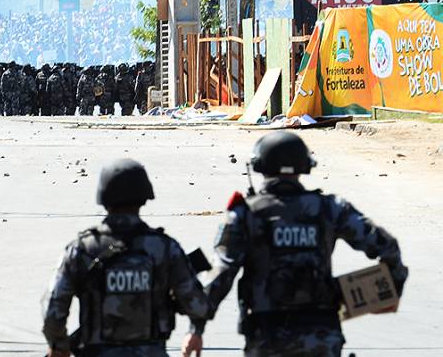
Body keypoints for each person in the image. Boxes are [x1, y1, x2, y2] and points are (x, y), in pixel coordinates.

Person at [182, 131, 408, 357]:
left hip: (267, 339)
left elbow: (221, 275)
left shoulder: (246, 215)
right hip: (322, 339)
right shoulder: (331, 208)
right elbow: (388, 247)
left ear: (260, 166)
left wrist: (196, 329)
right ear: (304, 166)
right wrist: (389, 291)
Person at [42, 159, 210, 357]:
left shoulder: (81, 249)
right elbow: (198, 306)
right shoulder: (165, 248)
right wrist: (194, 330)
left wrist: (59, 345)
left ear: (103, 198)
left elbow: (53, 309)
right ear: (144, 197)